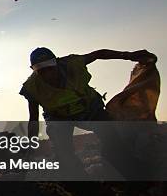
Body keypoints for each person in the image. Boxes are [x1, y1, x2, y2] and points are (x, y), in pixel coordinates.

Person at [20, 47, 156, 179]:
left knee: (113, 140)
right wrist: (31, 146)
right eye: (41, 71)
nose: (47, 74)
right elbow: (33, 118)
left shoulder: (72, 64)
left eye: (50, 68)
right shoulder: (32, 88)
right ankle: (85, 188)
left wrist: (128, 55)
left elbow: (98, 54)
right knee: (64, 155)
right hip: (58, 117)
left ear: (56, 63)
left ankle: (134, 176)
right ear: (34, 70)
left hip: (89, 109)